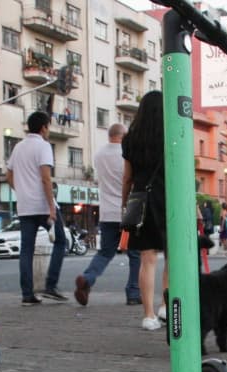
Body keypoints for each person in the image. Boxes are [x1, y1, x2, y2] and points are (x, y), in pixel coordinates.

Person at [74, 124, 141, 306]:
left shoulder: (99, 155)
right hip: (128, 210)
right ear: (123, 136)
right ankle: (133, 293)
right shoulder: (127, 153)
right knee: (135, 254)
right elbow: (129, 179)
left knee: (105, 252)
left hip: (107, 212)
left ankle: (88, 278)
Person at [7, 111, 68, 305]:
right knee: (61, 241)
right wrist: (51, 207)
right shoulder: (43, 146)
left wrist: (22, 191)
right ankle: (51, 285)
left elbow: (9, 175)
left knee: (26, 249)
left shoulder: (18, 147)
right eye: (48, 127)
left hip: (25, 206)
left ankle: (27, 294)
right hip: (43, 205)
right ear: (43, 128)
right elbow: (45, 178)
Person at [121, 91, 168, 330]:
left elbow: (127, 177)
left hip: (142, 199)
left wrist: (124, 202)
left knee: (147, 259)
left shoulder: (131, 139)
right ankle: (165, 306)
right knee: (173, 257)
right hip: (169, 199)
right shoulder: (170, 134)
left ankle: (148, 315)